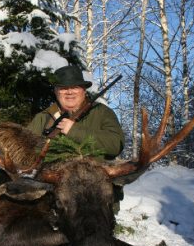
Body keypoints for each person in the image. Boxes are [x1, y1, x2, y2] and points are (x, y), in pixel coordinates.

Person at [27, 64, 125, 211]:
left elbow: (115, 145)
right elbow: (25, 152)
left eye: (75, 87)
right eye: (63, 88)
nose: (69, 92)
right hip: (50, 200)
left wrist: (74, 130)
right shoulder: (42, 118)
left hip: (94, 199)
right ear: (56, 92)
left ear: (83, 90)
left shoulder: (102, 113)